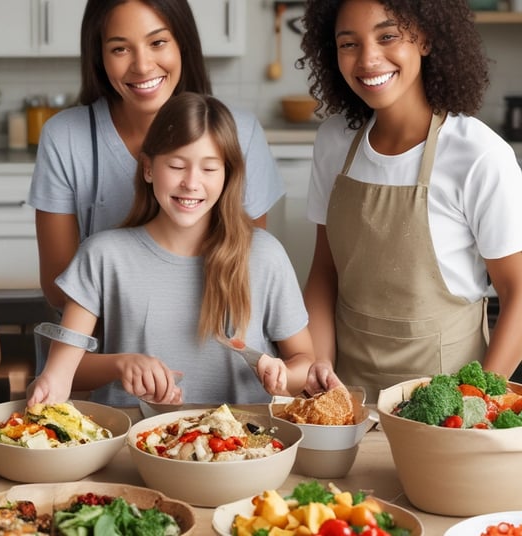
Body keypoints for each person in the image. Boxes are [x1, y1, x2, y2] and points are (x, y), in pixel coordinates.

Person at [27, 92, 314, 407]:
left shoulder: (265, 256)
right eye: (177, 165)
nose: (191, 183)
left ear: (228, 175)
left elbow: (306, 363)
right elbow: (64, 372)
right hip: (134, 444)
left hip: (244, 448)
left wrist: (282, 374)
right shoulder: (102, 256)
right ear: (148, 168)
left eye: (209, 169)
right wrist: (121, 364)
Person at [298, 0, 522, 401]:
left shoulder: (479, 156)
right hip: (349, 398)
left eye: (387, 36)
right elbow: (324, 271)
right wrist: (319, 367)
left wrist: (476, 402)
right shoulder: (333, 142)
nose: (368, 59)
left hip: (448, 406)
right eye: (349, 44)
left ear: (425, 38)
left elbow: (519, 294)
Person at [28, 0, 284, 310]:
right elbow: (60, 289)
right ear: (99, 57)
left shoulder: (240, 132)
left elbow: (249, 270)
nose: (143, 65)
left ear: (182, 44)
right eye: (120, 49)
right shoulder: (65, 137)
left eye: (158, 42)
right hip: (101, 347)